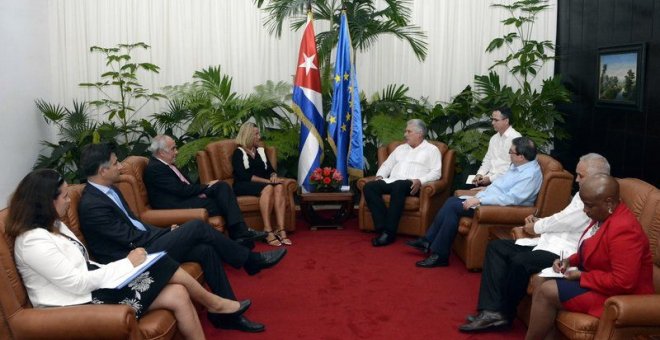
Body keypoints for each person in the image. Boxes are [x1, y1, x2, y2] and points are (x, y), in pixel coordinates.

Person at [6, 169, 252, 339]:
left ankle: (216, 305)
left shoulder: (55, 225)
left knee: (176, 291)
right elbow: (77, 283)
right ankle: (216, 304)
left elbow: (85, 266)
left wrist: (125, 267)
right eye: (64, 196)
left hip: (93, 285)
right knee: (162, 263)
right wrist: (127, 264)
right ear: (45, 202)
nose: (69, 202)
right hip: (77, 302)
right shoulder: (32, 241)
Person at [78, 143, 287, 333]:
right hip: (130, 259)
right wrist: (169, 233)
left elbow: (137, 224)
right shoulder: (92, 204)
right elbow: (130, 238)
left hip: (142, 245)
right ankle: (251, 261)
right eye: (115, 164)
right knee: (196, 226)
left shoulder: (110, 190)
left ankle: (227, 315)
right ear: (103, 170)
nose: (120, 167)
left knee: (205, 249)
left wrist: (169, 230)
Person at [459, 153, 611, 332]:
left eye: (581, 176)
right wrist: (539, 221)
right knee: (496, 248)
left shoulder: (598, 199)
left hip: (564, 252)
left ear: (597, 177)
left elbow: (567, 220)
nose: (577, 179)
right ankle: (490, 311)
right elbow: (562, 216)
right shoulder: (582, 193)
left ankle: (503, 313)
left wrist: (537, 226)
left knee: (519, 262)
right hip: (547, 241)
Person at [525, 174, 654, 340]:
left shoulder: (624, 230)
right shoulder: (603, 214)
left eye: (589, 206)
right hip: (601, 283)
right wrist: (569, 261)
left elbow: (623, 282)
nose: (585, 210)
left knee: (546, 291)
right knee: (539, 280)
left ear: (608, 202)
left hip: (618, 296)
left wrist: (582, 276)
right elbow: (592, 248)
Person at [407, 137, 542, 267]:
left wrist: (479, 199)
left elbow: (511, 199)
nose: (509, 155)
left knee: (452, 205)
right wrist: (487, 188)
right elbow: (504, 186)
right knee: (452, 205)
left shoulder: (530, 175)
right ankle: (435, 250)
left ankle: (433, 247)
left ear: (521, 156)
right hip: (491, 199)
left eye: (511, 152)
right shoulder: (519, 166)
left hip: (500, 208)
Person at [144, 134, 266, 248]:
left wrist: (208, 186)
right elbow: (181, 190)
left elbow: (185, 186)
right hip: (175, 204)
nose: (177, 152)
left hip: (183, 196)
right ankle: (241, 234)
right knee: (217, 202)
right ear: (161, 153)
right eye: (173, 149)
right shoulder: (155, 168)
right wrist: (205, 186)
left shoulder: (166, 163)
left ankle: (240, 233)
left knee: (221, 186)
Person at [363, 119, 443, 247]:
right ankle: (382, 227)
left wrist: (420, 181)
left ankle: (389, 233)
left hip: (411, 184)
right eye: (405, 131)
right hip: (392, 181)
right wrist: (380, 176)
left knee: (400, 185)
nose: (405, 134)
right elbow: (387, 165)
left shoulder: (432, 150)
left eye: (409, 131)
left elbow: (436, 173)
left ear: (420, 134)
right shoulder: (400, 149)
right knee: (369, 187)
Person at [232, 122, 292, 246]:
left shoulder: (260, 151)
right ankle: (267, 230)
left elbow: (270, 169)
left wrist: (273, 176)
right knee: (269, 187)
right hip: (243, 184)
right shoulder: (238, 153)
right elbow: (245, 176)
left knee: (280, 187)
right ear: (248, 135)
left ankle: (281, 230)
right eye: (256, 134)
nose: (259, 137)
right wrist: (268, 182)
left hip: (263, 183)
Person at [471, 107, 521, 187]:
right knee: (464, 184)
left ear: (506, 121)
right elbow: (488, 159)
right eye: (492, 120)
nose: (492, 123)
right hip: (488, 178)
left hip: (503, 182)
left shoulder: (515, 138)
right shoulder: (494, 138)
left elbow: (512, 167)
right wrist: (480, 174)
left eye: (496, 120)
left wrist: (490, 179)